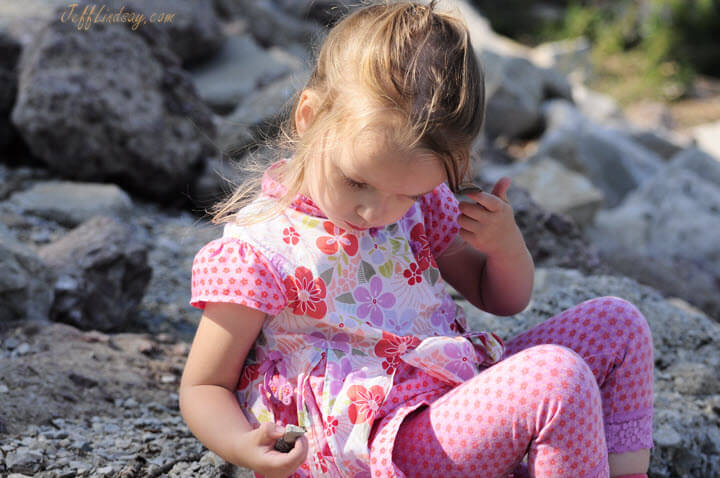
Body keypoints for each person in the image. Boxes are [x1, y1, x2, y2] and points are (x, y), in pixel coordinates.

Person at [179, 1, 654, 477]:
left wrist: (505, 246)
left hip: (447, 407)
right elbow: (204, 387)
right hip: (373, 444)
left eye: (406, 193)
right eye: (356, 182)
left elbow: (500, 298)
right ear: (309, 116)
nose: (375, 212)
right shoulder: (258, 251)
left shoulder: (422, 209)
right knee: (557, 377)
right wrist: (243, 445)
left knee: (617, 324)